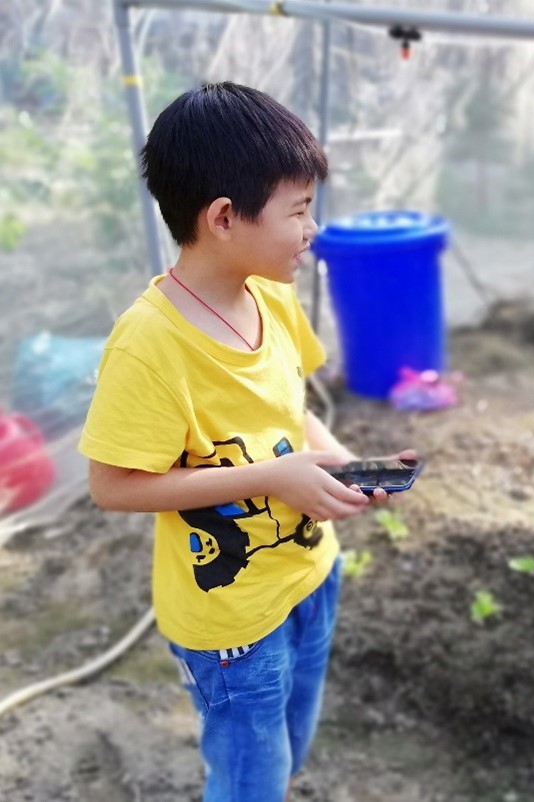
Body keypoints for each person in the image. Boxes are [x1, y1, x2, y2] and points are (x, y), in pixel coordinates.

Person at [79, 82, 409, 802]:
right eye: (298, 212)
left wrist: (344, 469)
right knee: (249, 779)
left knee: (287, 754)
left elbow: (292, 414)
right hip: (229, 623)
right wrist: (270, 480)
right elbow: (112, 486)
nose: (311, 229)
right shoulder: (150, 345)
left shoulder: (273, 295)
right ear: (224, 217)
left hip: (311, 576)